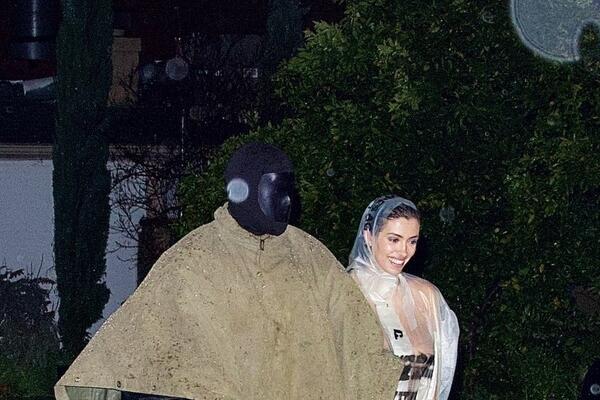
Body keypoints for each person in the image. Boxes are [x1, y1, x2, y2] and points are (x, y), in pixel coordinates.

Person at [55, 143, 401, 400]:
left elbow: (359, 343)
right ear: (244, 191)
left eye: (289, 191)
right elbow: (133, 346)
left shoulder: (311, 257)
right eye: (276, 189)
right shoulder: (194, 259)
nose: (287, 202)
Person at [347, 195, 459, 400]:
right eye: (394, 239)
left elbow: (440, 378)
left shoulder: (427, 296)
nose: (403, 251)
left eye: (412, 241)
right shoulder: (347, 292)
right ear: (369, 236)